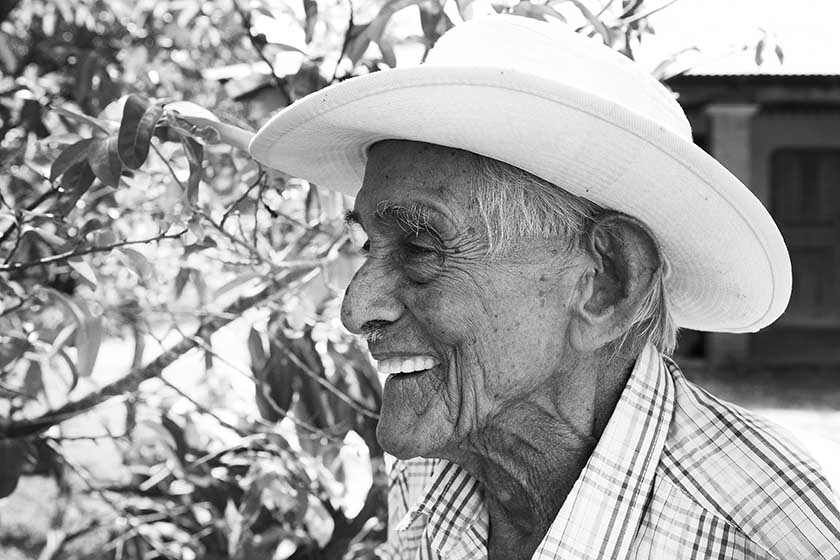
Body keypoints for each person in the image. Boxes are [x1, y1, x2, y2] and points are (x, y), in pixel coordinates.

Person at [249, 14, 840, 560]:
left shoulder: (762, 540)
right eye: (366, 247)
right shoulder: (433, 466)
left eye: (421, 247)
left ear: (606, 283)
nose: (356, 309)